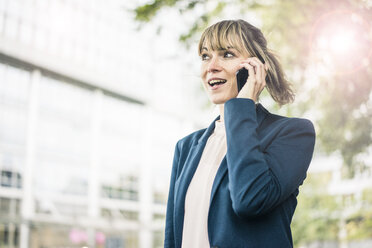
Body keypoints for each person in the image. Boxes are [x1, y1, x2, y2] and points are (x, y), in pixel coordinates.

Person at [164, 19, 316, 248]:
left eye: (226, 54)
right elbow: (173, 236)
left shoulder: (293, 133)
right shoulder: (185, 147)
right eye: (205, 56)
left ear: (255, 67)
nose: (211, 66)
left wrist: (243, 104)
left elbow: (250, 199)